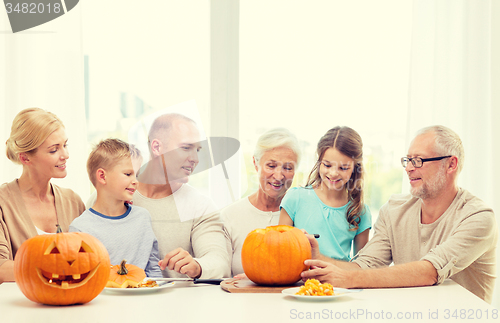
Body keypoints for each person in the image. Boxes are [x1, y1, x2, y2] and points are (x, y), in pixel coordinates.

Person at [301, 125, 498, 304]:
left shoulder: (478, 217)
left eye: (418, 160)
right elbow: (365, 266)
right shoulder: (394, 210)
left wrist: (347, 279)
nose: (408, 168)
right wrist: (319, 258)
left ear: (451, 165)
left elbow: (430, 272)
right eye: (408, 160)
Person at [132, 113, 230, 279]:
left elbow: (219, 261)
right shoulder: (113, 197)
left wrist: (197, 266)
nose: (195, 159)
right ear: (156, 148)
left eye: (197, 150)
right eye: (186, 148)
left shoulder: (201, 206)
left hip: (178, 303)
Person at [0, 108, 85, 283]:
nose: (65, 155)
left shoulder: (73, 201)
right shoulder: (3, 203)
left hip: (71, 304)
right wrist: (56, 268)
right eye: (54, 150)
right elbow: (1, 268)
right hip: (21, 307)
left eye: (65, 145)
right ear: (25, 159)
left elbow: (90, 254)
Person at [70, 139, 162, 277]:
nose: (135, 181)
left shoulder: (142, 217)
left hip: (143, 296)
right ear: (102, 176)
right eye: (128, 174)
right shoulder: (80, 228)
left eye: (137, 175)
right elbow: (80, 277)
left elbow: (153, 268)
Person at [280, 126, 371, 261]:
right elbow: (277, 251)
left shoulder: (360, 211)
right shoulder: (295, 198)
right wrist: (295, 241)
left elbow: (361, 266)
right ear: (319, 163)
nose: (333, 173)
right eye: (327, 165)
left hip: (339, 281)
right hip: (298, 281)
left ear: (354, 168)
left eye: (343, 168)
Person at [221, 128, 301, 275]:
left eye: (288, 168)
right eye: (271, 166)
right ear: (255, 163)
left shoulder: (304, 215)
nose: (278, 176)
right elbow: (221, 277)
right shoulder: (229, 216)